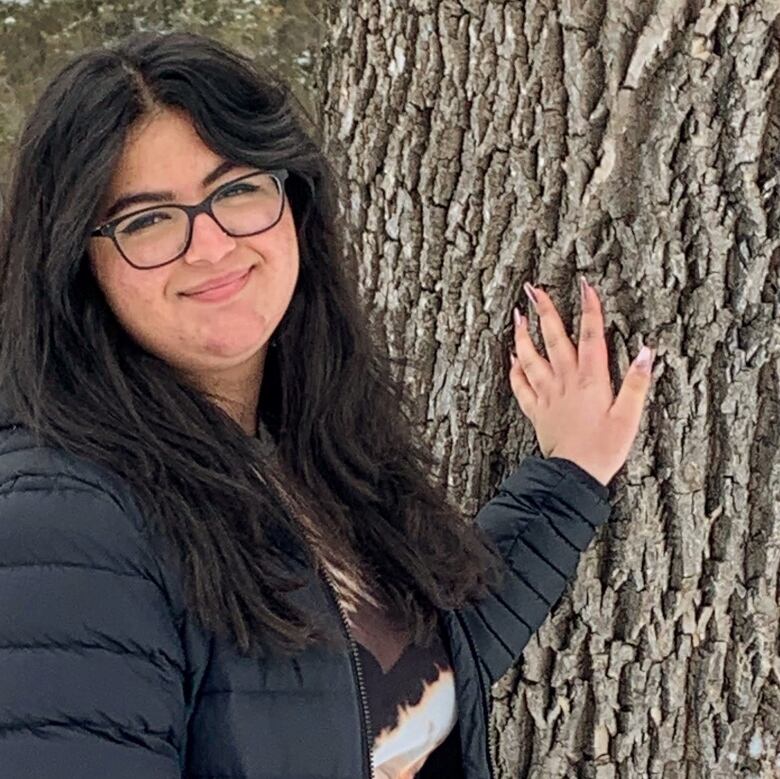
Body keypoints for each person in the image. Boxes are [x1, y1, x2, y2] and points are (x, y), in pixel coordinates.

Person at [0, 30, 654, 779]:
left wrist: (569, 476)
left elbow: (398, 676)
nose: (210, 246)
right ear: (76, 263)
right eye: (147, 219)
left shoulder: (298, 454)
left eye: (238, 189)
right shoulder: (62, 517)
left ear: (294, 205)